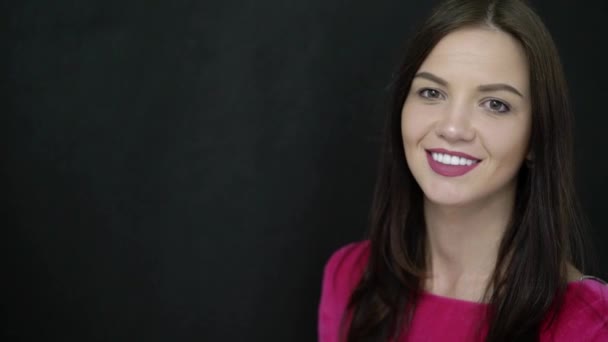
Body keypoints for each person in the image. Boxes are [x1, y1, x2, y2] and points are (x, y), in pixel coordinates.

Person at [317, 0, 608, 341]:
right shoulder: (350, 276)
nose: (453, 128)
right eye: (431, 92)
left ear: (536, 138)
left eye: (495, 104)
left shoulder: (592, 323)